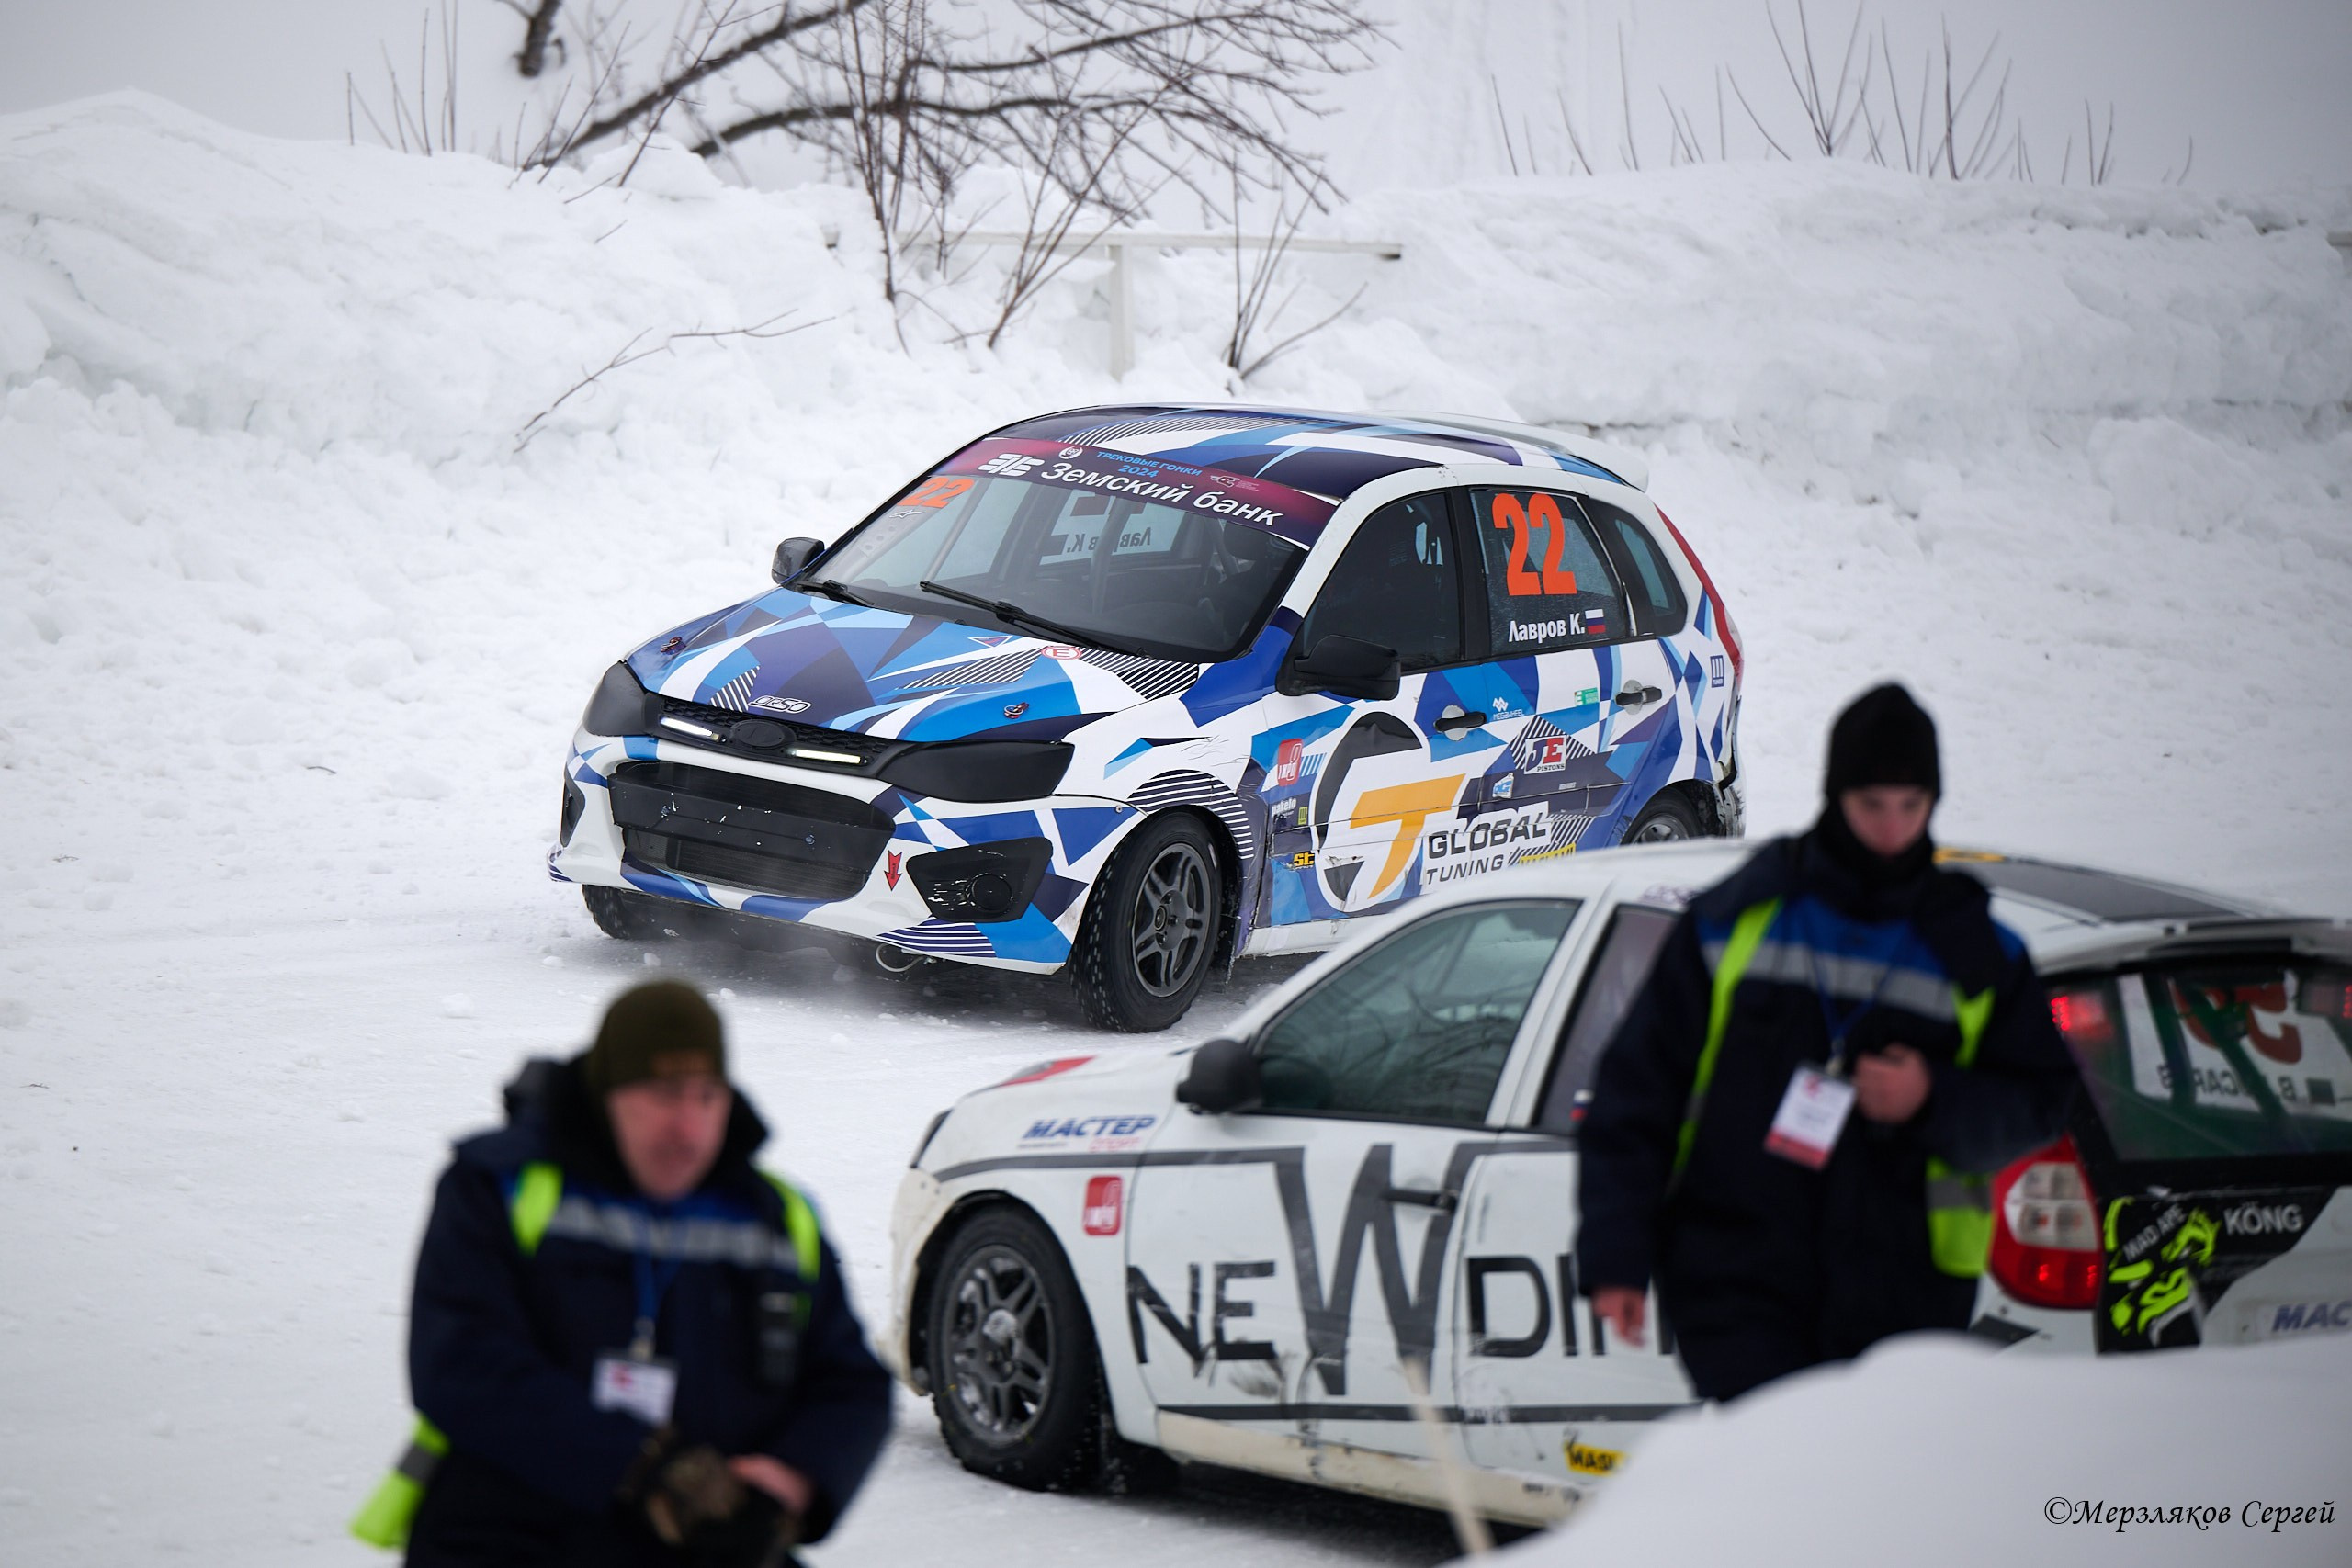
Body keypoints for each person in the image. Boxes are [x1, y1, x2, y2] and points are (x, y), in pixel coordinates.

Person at [1575, 683, 2079, 1402]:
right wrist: (1617, 1259)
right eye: (1873, 804)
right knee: (1775, 1491)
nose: (1893, 827)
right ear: (1836, 794)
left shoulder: (1975, 951)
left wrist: (1933, 1096)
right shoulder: (1737, 920)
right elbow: (1636, 1092)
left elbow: (2042, 1099)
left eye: (1912, 805)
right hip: (1737, 1280)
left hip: (1908, 1298)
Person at [356, 980, 893, 1565]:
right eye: (664, 1095)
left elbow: (851, 1384)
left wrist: (788, 1480)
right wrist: (646, 1466)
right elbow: (461, 1363)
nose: (688, 1127)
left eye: (706, 1097)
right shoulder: (499, 1186)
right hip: (512, 1535)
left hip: (707, 1542)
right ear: (607, 1092)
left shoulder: (777, 1220)